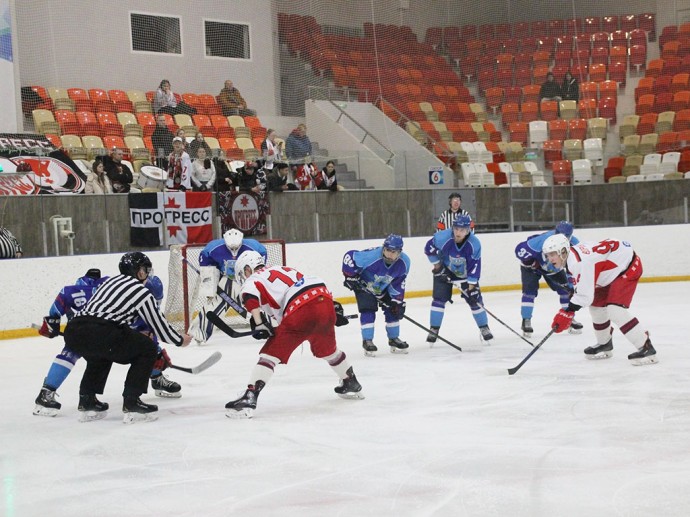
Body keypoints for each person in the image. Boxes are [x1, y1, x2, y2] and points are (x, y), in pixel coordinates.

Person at [225, 251, 363, 418]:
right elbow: (307, 286)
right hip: (322, 298)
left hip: (299, 310)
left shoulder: (254, 278)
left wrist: (259, 322)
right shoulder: (284, 268)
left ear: (248, 268)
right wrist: (332, 309)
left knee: (270, 355)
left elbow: (250, 296)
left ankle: (250, 396)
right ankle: (350, 381)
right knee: (328, 350)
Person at [63, 252, 192, 424]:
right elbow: (159, 328)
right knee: (148, 348)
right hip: (101, 331)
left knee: (100, 355)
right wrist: (180, 340)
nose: (147, 274)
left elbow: (109, 316)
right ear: (139, 272)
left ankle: (87, 400)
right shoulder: (140, 291)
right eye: (146, 270)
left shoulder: (109, 283)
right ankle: (132, 401)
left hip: (74, 331)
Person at [33, 271, 182, 417]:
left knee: (82, 355)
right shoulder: (128, 296)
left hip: (77, 331)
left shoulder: (90, 289)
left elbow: (57, 307)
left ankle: (57, 395)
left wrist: (52, 322)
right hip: (101, 331)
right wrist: (157, 354)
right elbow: (143, 337)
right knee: (140, 349)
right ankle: (142, 391)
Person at [545, 235, 658, 365]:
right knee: (596, 306)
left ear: (563, 251)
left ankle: (646, 347)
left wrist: (568, 311)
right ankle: (605, 343)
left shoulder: (578, 263)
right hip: (609, 269)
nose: (550, 258)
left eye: (553, 254)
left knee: (615, 310)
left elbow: (584, 297)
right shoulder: (574, 257)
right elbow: (584, 289)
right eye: (548, 255)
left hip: (627, 267)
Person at [188, 228, 268, 344]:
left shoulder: (254, 247)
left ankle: (269, 324)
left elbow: (260, 265)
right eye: (231, 248)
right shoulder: (212, 249)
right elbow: (207, 267)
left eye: (237, 248)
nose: (234, 251)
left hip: (248, 280)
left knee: (260, 299)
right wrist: (211, 285)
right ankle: (199, 331)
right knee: (217, 301)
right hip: (228, 279)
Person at [424, 214, 493, 344]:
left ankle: (484, 327)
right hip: (445, 270)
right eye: (456, 229)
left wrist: (472, 288)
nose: (458, 232)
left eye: (462, 230)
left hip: (466, 275)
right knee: (438, 300)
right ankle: (434, 329)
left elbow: (475, 265)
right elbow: (429, 249)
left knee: (475, 301)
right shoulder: (442, 237)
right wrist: (438, 268)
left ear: (468, 231)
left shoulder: (474, 244)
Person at [342, 234, 411, 356]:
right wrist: (349, 276)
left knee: (393, 310)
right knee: (368, 309)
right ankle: (367, 341)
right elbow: (350, 256)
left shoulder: (404, 263)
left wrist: (397, 300)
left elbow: (398, 283)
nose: (389, 254)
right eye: (387, 250)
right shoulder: (371, 256)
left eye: (393, 251)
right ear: (383, 248)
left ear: (399, 252)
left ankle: (394, 338)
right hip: (364, 285)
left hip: (384, 287)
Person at [514, 221, 583, 337]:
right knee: (529, 292)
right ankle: (526, 321)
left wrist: (571, 283)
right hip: (531, 268)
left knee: (566, 291)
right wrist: (530, 261)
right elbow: (519, 250)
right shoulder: (541, 240)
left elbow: (574, 264)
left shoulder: (575, 244)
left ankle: (568, 318)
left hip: (552, 268)